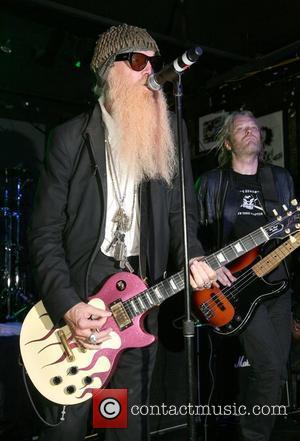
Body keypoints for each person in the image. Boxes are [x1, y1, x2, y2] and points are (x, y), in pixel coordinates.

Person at [27, 23, 216, 441]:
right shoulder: (69, 139)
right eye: (137, 61)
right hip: (80, 299)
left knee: (122, 424)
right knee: (68, 428)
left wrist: (193, 255)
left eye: (155, 62)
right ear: (108, 72)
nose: (151, 72)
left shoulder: (168, 135)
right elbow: (43, 234)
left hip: (137, 298)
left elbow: (177, 216)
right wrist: (69, 306)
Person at [197, 110, 295, 441]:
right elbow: (195, 235)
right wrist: (210, 264)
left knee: (276, 371)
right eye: (241, 129)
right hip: (236, 288)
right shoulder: (212, 182)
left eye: (253, 127)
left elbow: (291, 233)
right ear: (227, 142)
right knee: (268, 367)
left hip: (277, 285)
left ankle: (250, 429)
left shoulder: (279, 179)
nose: (250, 132)